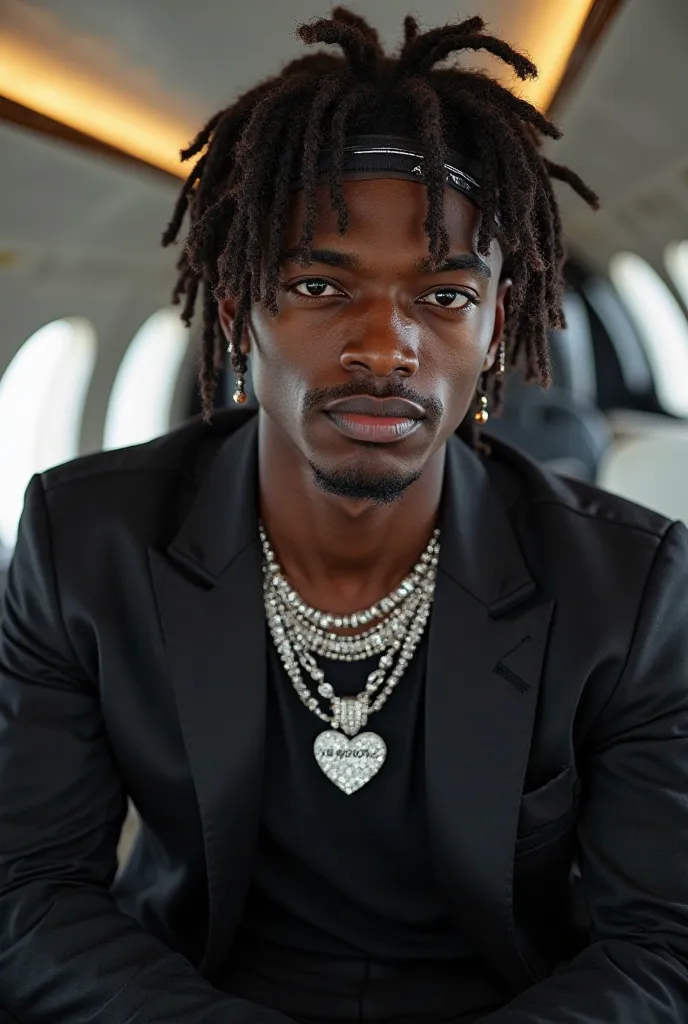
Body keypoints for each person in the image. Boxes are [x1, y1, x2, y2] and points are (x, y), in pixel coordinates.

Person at [1, 8, 688, 1023]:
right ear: (238, 311)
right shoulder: (85, 542)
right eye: (321, 284)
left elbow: (662, 943)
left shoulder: (626, 589)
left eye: (444, 295)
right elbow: (30, 894)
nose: (386, 345)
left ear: (495, 329)